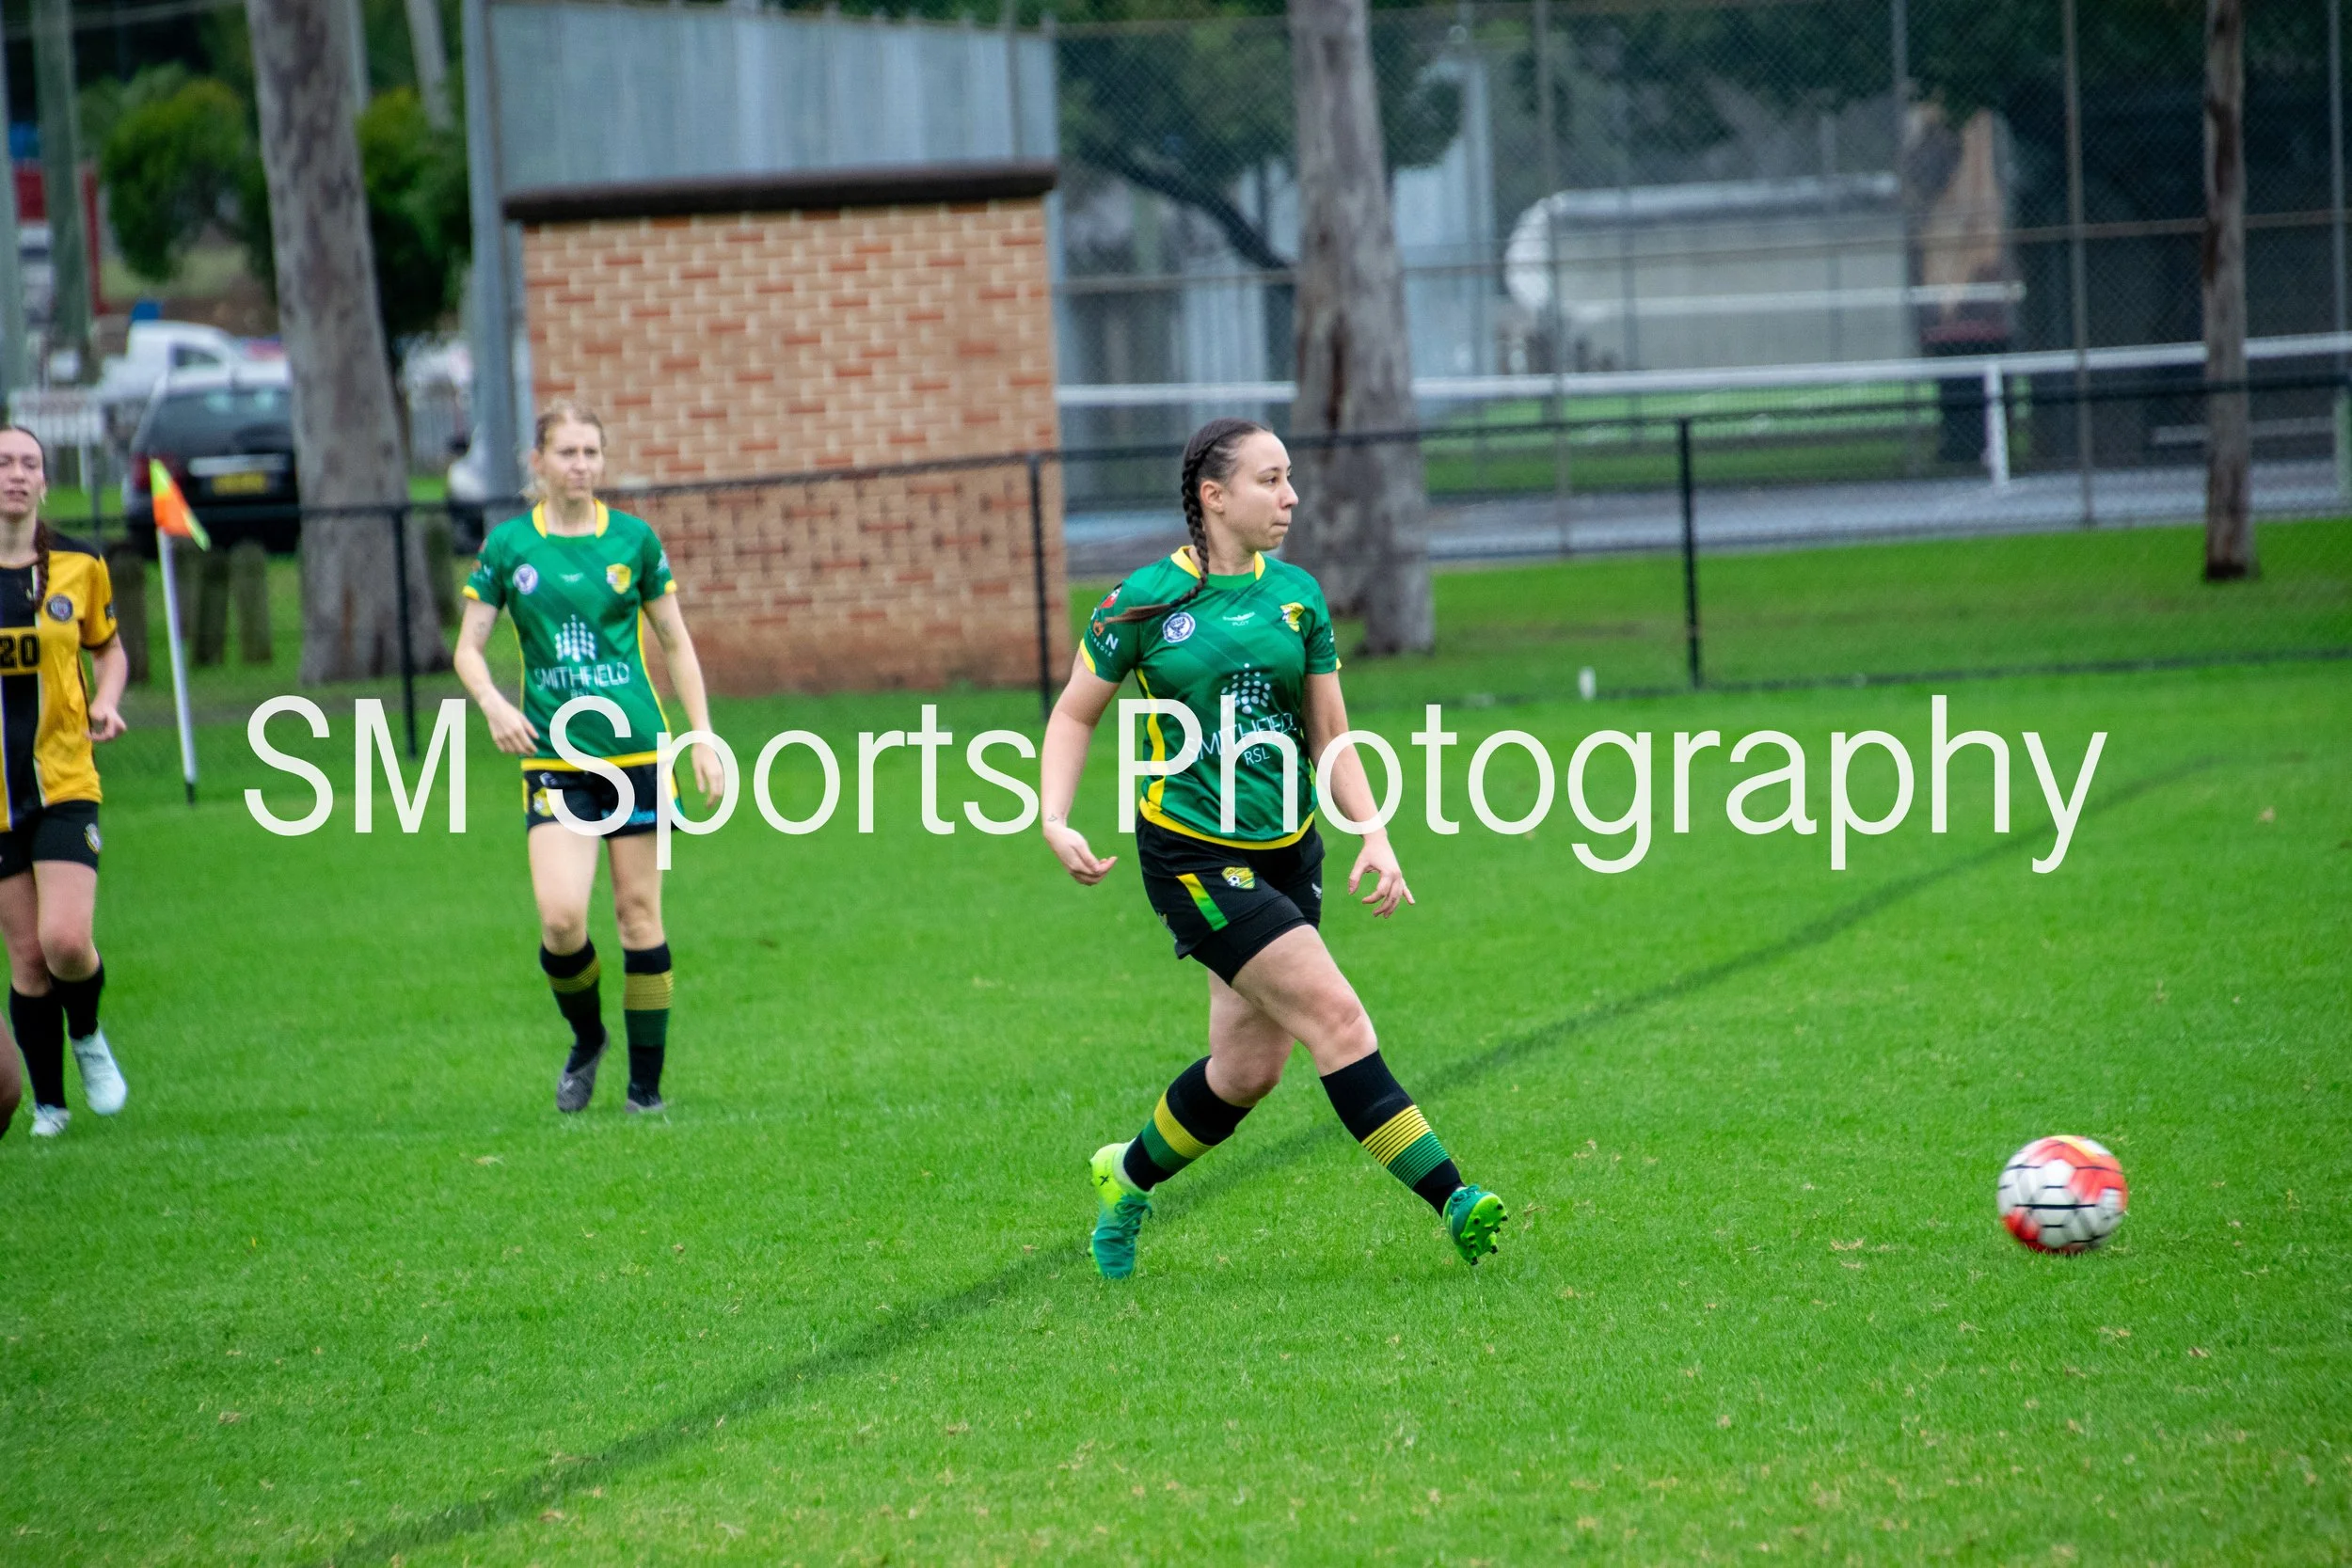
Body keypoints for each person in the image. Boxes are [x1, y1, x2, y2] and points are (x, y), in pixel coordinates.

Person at [1038, 418, 1507, 1279]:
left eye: (1289, 478)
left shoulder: (1298, 596)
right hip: (1191, 857)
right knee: (1338, 1018)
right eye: (1270, 479)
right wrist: (1054, 815)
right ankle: (1455, 1197)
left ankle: (1125, 1175)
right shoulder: (1142, 601)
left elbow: (1331, 733)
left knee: (1247, 1070)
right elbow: (1074, 712)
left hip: (1290, 848)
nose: (1291, 496)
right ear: (1214, 496)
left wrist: (1374, 831)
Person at [453, 403, 724, 1115]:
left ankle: (645, 1092)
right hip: (556, 757)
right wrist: (493, 704)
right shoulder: (510, 547)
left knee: (638, 916)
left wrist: (701, 735)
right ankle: (587, 1038)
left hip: (637, 752)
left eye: (591, 452)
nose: (581, 465)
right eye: (567, 452)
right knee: (562, 920)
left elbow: (676, 642)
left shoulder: (633, 540)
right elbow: (468, 649)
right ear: (537, 462)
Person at [0, 426, 128, 1140]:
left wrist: (106, 700)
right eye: (3, 463)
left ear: (45, 482)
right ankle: (49, 1103)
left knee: (66, 942)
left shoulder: (79, 563)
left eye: (29, 464)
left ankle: (88, 1034)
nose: (16, 474)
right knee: (26, 957)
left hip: (65, 777)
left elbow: (109, 651)